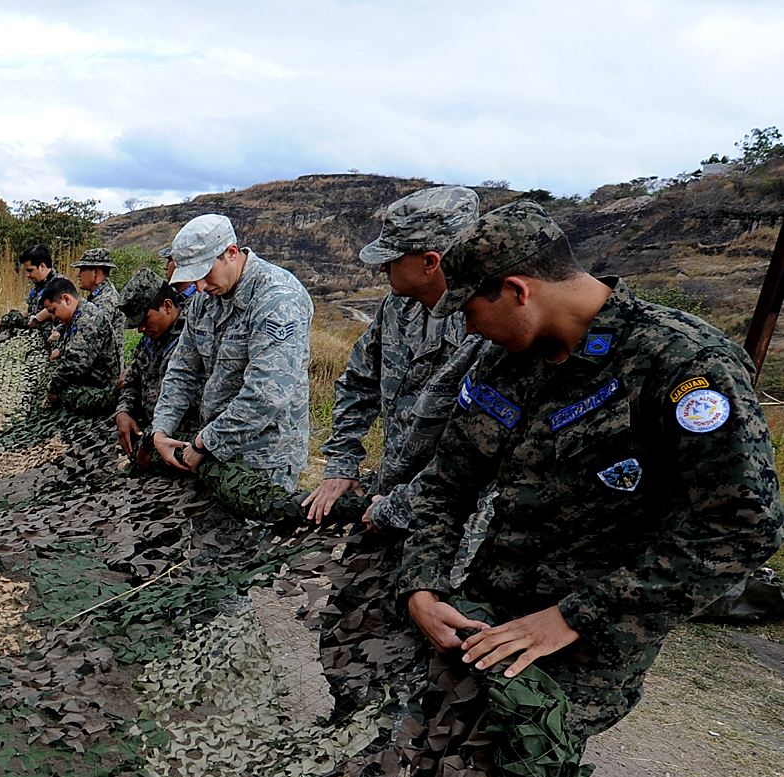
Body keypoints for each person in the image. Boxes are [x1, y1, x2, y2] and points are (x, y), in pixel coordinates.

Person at [399, 199, 784, 738]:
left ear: (517, 290)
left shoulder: (683, 362)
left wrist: (571, 616)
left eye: (468, 311)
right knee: (420, 757)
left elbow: (743, 527)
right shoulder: (505, 361)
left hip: (590, 647)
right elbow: (446, 485)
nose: (468, 329)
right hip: (483, 611)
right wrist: (422, 586)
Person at [305, 186, 483, 526]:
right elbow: (359, 382)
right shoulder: (397, 305)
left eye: (393, 258)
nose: (382, 268)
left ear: (431, 262)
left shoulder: (487, 328)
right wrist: (342, 464)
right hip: (385, 497)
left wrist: (402, 506)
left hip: (448, 519)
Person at [150, 214, 316, 517]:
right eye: (192, 277)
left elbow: (267, 394)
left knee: (248, 554)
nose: (199, 286)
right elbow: (182, 371)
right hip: (213, 452)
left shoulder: (277, 299)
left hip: (264, 458)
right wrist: (161, 429)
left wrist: (204, 443)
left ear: (230, 252)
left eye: (204, 273)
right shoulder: (204, 300)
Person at [114, 266, 194, 468]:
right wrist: (124, 411)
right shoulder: (151, 338)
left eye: (144, 320)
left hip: (180, 431)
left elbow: (183, 404)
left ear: (167, 306)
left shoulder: (190, 337)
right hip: (149, 427)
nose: (141, 329)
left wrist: (149, 441)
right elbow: (132, 380)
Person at [38, 277, 122, 419]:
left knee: (58, 396)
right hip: (87, 383)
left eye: (53, 311)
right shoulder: (77, 317)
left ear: (66, 299)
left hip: (100, 391)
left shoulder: (89, 320)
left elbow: (74, 364)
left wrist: (51, 388)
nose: (53, 317)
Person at [0, 243, 57, 335]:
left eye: (30, 270)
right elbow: (30, 310)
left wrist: (37, 318)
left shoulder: (60, 284)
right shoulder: (38, 285)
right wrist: (6, 321)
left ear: (42, 266)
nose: (27, 275)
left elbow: (57, 306)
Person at [72, 246, 118, 313]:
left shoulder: (107, 299)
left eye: (82, 270)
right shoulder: (100, 294)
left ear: (96, 272)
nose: (78, 275)